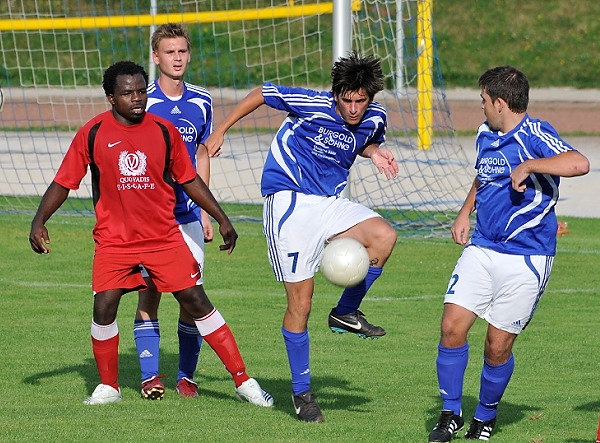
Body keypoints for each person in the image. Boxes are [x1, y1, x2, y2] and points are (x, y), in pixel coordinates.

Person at [29, 61, 273, 408]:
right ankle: (109, 387)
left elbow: (189, 179)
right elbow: (64, 181)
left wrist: (221, 217)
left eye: (141, 91)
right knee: (104, 306)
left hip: (163, 238)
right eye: (127, 93)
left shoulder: (164, 130)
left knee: (196, 301)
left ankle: (243, 381)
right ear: (111, 97)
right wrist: (39, 219)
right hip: (114, 240)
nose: (137, 98)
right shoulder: (93, 132)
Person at [205, 51, 398, 422]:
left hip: (330, 203)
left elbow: (360, 140)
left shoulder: (375, 117)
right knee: (301, 303)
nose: (354, 108)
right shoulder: (312, 103)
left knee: (384, 236)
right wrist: (221, 129)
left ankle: (345, 312)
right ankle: (302, 393)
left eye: (360, 101)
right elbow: (262, 93)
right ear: (335, 94)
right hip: (290, 204)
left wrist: (374, 152)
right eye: (347, 100)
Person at [428, 65, 589, 442]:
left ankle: (485, 417)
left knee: (497, 347)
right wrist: (465, 211)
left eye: (483, 100)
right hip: (482, 247)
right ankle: (450, 414)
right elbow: (483, 176)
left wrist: (530, 165)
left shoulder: (535, 134)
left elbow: (579, 163)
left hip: (527, 258)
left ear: (500, 102)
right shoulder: (485, 133)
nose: (481, 106)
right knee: (451, 328)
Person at [133, 22, 214, 400]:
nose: (177, 58)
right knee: (148, 293)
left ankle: (186, 377)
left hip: (188, 216)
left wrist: (206, 211)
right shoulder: (141, 100)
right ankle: (150, 377)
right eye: (169, 52)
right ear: (156, 57)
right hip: (150, 219)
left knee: (191, 298)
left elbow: (202, 154)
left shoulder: (203, 101)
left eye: (182, 51)